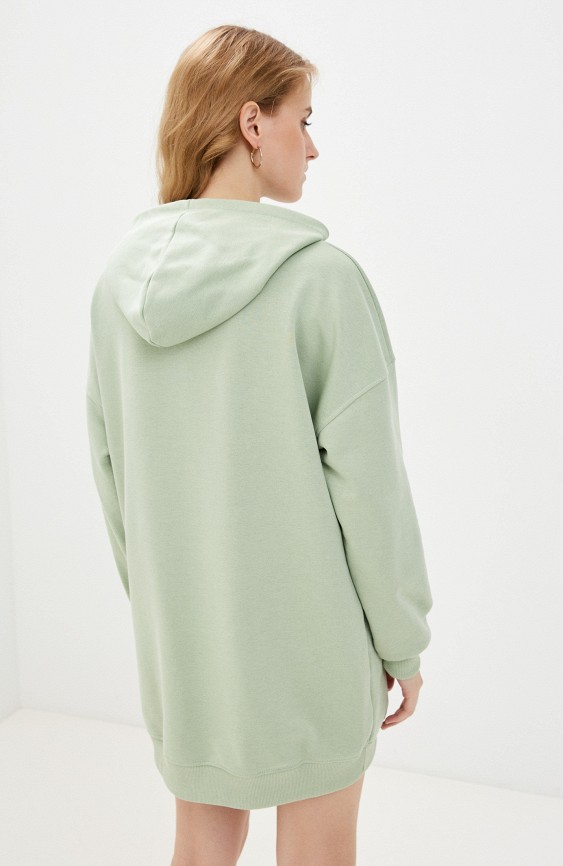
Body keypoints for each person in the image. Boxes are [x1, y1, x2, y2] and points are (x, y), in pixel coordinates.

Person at [85, 23, 433, 866]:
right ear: (251, 123)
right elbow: (370, 491)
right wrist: (402, 641)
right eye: (302, 120)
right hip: (312, 650)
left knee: (201, 849)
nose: (311, 147)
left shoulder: (116, 289)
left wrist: (172, 611)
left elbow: (114, 478)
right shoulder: (322, 281)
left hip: (190, 649)